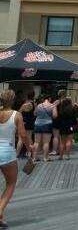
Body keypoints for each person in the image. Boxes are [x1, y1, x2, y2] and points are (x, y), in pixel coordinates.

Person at [0, 89, 32, 228]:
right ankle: (0, 210)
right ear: (13, 100)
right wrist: (30, 148)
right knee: (11, 184)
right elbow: (23, 135)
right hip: (7, 152)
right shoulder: (16, 115)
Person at [53, 96, 78, 161]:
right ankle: (67, 156)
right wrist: (76, 104)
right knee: (69, 141)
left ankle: (60, 156)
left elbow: (56, 117)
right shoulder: (73, 109)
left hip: (62, 126)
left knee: (62, 142)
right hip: (71, 126)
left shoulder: (61, 109)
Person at [32, 95, 54, 163]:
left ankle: (34, 158)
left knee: (36, 142)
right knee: (46, 142)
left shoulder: (39, 105)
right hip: (47, 124)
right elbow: (55, 115)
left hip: (37, 124)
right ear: (49, 99)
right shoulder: (52, 105)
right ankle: (45, 158)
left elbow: (35, 114)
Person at [16, 91, 35, 158]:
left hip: (23, 122)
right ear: (33, 96)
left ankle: (17, 154)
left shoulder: (24, 104)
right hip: (30, 122)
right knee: (29, 138)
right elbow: (35, 113)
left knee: (20, 139)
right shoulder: (34, 104)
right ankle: (30, 153)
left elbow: (18, 113)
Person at [50, 89, 66, 156]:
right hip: (64, 120)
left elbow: (51, 108)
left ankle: (54, 150)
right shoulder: (66, 102)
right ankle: (61, 150)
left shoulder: (57, 101)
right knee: (62, 136)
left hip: (56, 120)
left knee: (56, 136)